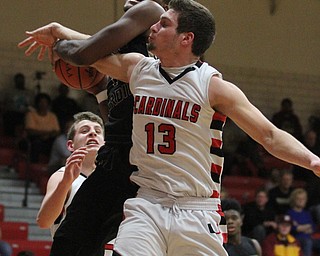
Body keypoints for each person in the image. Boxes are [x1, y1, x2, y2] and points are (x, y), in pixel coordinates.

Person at [20, 0, 320, 255]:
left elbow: (269, 135)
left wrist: (311, 160)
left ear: (185, 38)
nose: (153, 26)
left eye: (163, 24)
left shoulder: (214, 87)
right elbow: (93, 52)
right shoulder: (138, 69)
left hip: (196, 208)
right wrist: (59, 35)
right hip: (147, 204)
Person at [18, 1, 170, 255]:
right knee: (70, 238)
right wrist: (100, 91)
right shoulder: (118, 56)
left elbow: (84, 53)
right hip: (117, 157)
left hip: (139, 163)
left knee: (105, 243)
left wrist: (59, 40)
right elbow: (116, 119)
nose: (125, 2)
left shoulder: (151, 13)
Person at [37, 111, 105, 238]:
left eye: (98, 131)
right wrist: (65, 183)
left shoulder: (111, 178)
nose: (92, 133)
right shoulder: (61, 176)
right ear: (70, 145)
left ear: (104, 144)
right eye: (84, 131)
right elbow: (43, 222)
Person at [25, 92, 60, 163]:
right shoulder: (30, 114)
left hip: (49, 139)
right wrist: (46, 133)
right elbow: (30, 131)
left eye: (45, 102)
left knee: (57, 144)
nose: (43, 104)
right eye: (41, 102)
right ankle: (34, 165)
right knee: (36, 144)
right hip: (34, 139)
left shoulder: (52, 116)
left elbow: (57, 132)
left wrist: (47, 135)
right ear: (37, 103)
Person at [286, 188, 320, 256]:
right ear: (294, 200)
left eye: (303, 199)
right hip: (296, 239)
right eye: (299, 199)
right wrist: (306, 226)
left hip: (309, 238)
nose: (301, 201)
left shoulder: (307, 213)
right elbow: (294, 228)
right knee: (308, 242)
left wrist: (301, 227)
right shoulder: (290, 213)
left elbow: (313, 227)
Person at [2, 72, 34, 137]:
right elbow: (2, 102)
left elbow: (33, 106)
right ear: (15, 81)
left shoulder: (30, 93)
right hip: (11, 113)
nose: (20, 82)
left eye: (21, 80)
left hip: (25, 114)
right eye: (18, 80)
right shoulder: (8, 91)